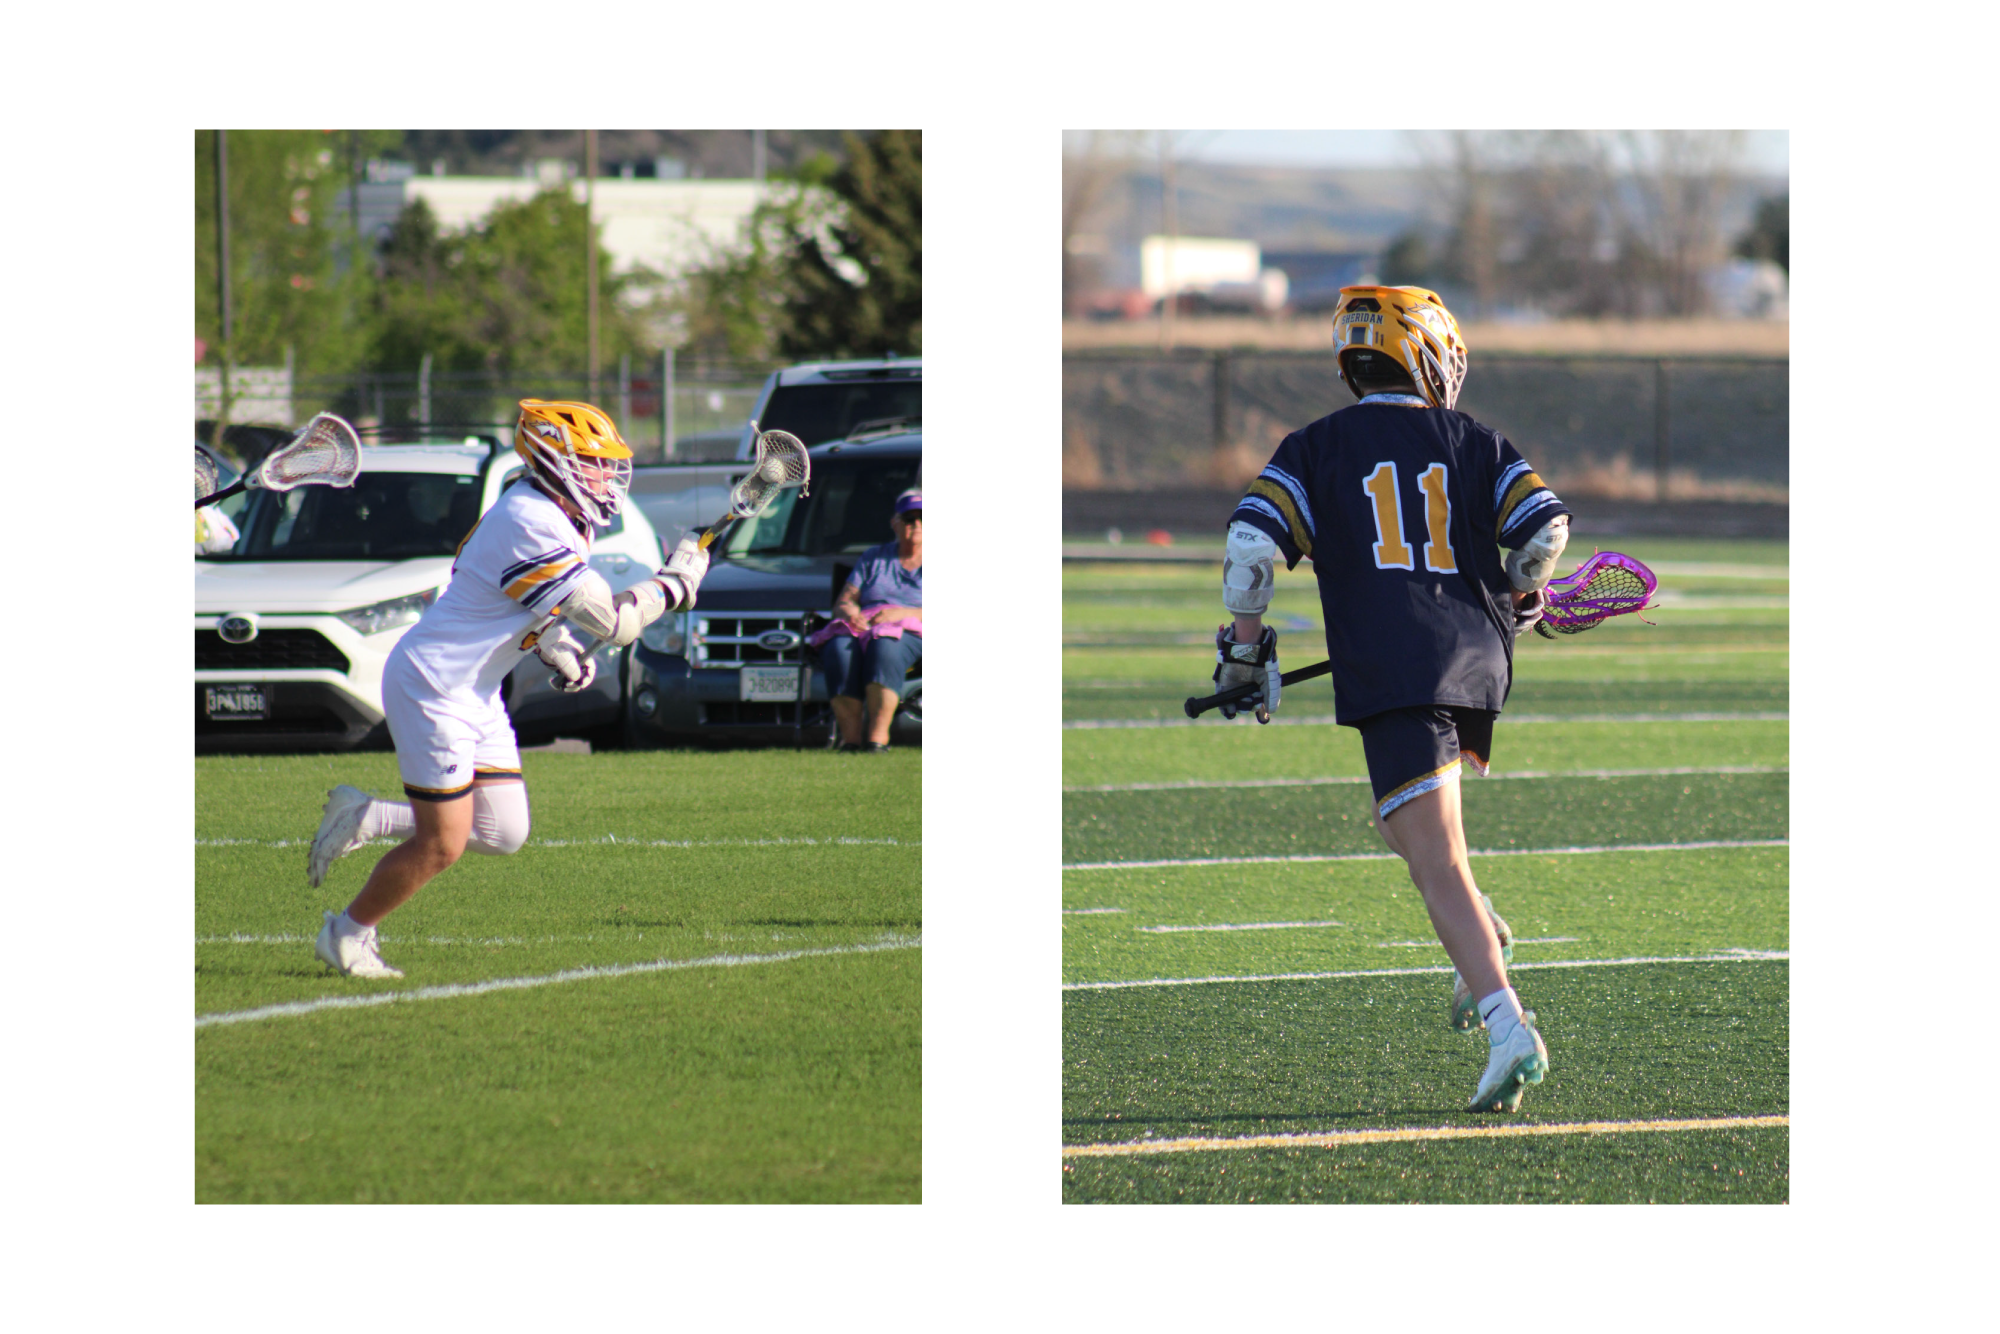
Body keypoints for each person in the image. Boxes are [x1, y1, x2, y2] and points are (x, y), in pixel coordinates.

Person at [1214, 286, 1572, 1113]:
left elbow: (1250, 546)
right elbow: (1544, 530)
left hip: (1399, 670)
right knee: (1401, 824)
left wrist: (1244, 648)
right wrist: (1523, 592)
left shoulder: (1316, 446)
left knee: (1435, 858)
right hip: (1472, 663)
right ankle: (1481, 932)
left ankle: (1507, 1024)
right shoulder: (1474, 439)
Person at [303, 399, 712, 978]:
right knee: (443, 843)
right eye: (594, 462)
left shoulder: (557, 513)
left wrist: (553, 644)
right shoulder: (529, 518)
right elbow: (616, 624)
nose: (607, 476)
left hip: (476, 688)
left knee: (503, 831)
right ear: (553, 458)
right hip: (434, 685)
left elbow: (506, 601)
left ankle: (369, 816)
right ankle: (346, 935)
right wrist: (672, 585)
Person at [813, 488, 922, 753]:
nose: (917, 524)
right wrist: (850, 612)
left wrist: (902, 613)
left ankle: (877, 739)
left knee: (885, 646)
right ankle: (850, 741)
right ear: (895, 523)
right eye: (909, 519)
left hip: (912, 630)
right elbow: (845, 600)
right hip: (867, 626)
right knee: (839, 649)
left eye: (923, 518)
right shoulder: (874, 557)